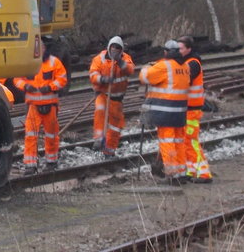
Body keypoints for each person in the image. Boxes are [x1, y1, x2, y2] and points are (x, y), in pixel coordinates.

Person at [139, 39, 191, 184]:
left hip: (165, 112)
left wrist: (145, 68)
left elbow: (145, 77)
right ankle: (181, 173)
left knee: (167, 141)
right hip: (180, 111)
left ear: (166, 52)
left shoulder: (164, 66)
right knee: (179, 141)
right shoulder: (185, 67)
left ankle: (172, 174)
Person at [14, 37, 68, 174]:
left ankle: (51, 161)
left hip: (50, 106)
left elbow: (62, 79)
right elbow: (17, 79)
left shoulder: (54, 62)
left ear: (44, 49)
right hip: (33, 107)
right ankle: (30, 165)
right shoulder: (27, 63)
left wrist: (50, 87)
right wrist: (25, 86)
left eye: (40, 49)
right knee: (31, 135)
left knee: (51, 135)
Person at [88, 36, 135, 157]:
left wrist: (119, 61)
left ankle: (109, 150)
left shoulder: (125, 59)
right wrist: (103, 79)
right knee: (100, 111)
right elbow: (93, 74)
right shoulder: (99, 59)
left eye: (118, 48)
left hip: (117, 98)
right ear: (109, 47)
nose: (115, 50)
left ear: (121, 50)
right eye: (113, 47)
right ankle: (99, 139)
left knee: (115, 126)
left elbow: (130, 70)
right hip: (103, 94)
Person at [177, 36, 213, 183]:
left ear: (188, 49)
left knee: (191, 141)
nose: (178, 51)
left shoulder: (192, 64)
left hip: (192, 109)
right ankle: (193, 171)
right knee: (187, 141)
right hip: (188, 108)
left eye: (180, 49)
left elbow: (183, 80)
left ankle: (203, 173)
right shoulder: (188, 62)